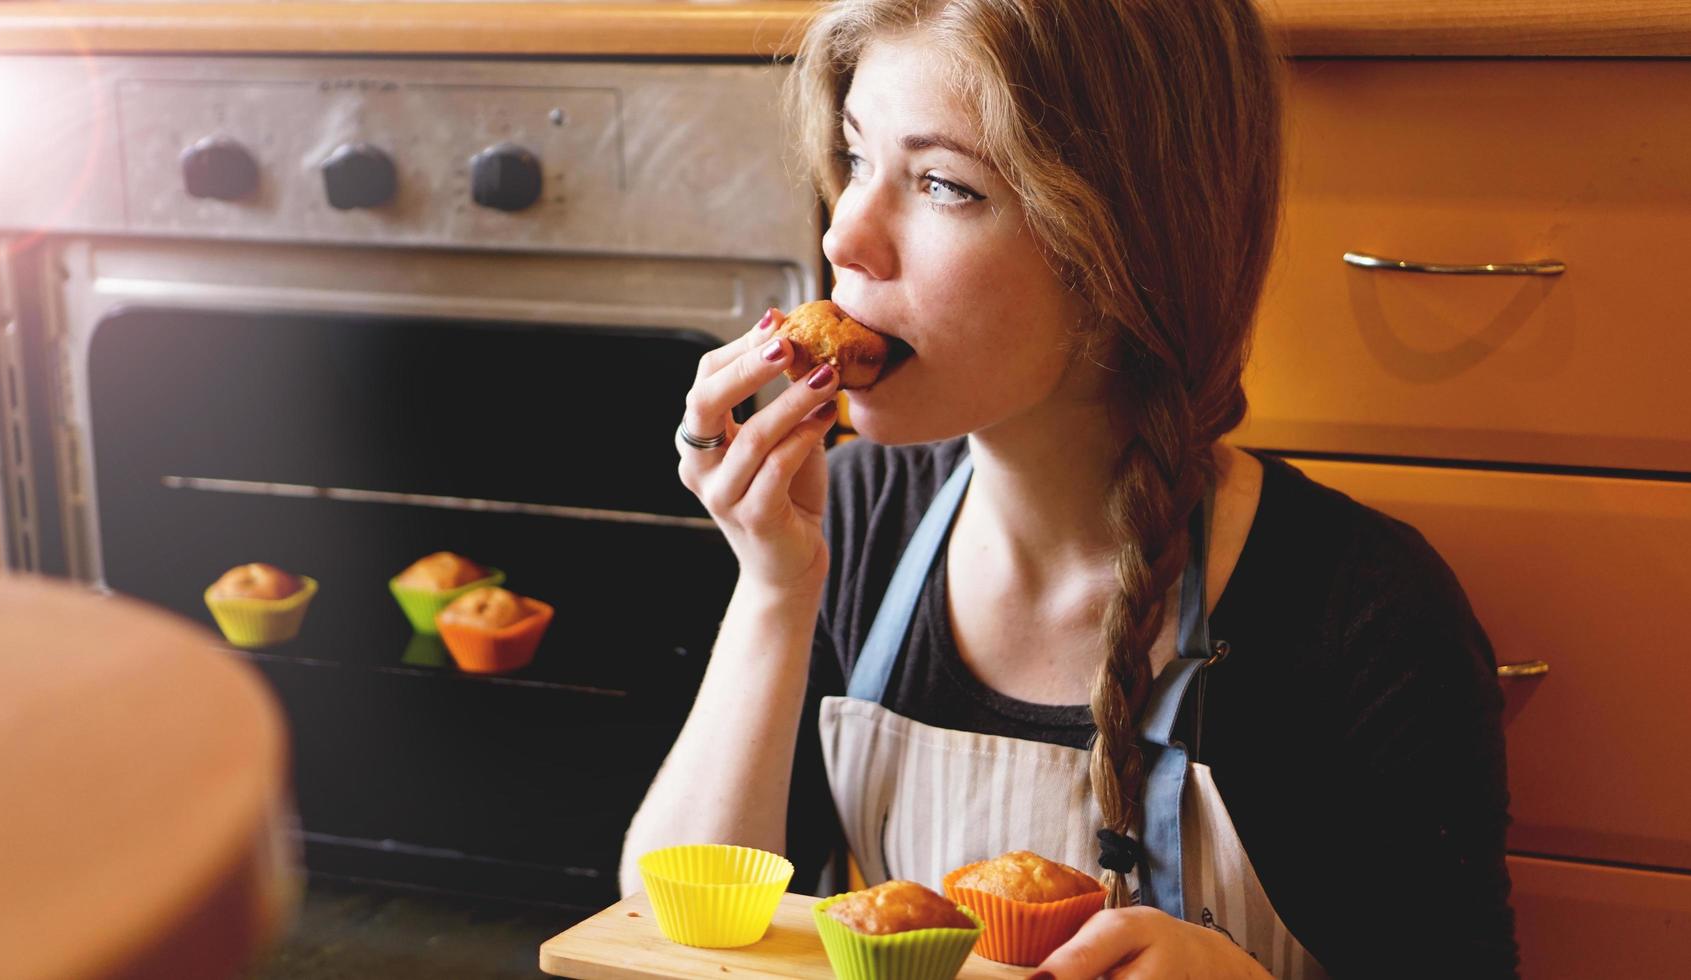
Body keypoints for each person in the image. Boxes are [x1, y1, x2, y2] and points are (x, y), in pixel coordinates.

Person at [622, 1, 1518, 976]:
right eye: (853, 157)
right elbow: (665, 934)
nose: (845, 237)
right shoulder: (855, 512)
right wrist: (771, 590)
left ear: (1120, 248)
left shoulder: (1364, 613)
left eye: (940, 184)